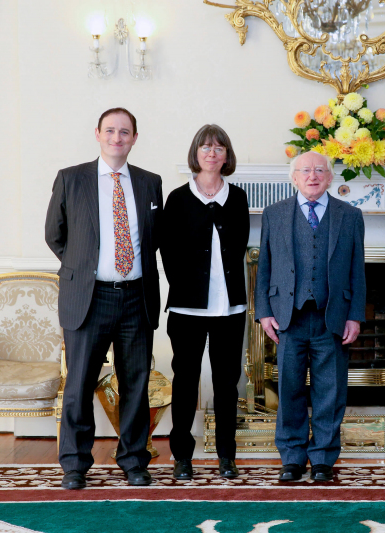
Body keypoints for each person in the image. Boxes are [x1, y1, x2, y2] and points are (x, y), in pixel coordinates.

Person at [45, 108, 163, 489]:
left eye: (124, 131)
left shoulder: (149, 182)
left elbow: (155, 238)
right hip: (88, 299)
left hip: (136, 298)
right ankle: (75, 465)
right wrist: (84, 268)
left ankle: (133, 460)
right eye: (110, 130)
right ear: (97, 133)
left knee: (135, 383)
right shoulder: (71, 178)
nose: (117, 137)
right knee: (79, 385)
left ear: (134, 138)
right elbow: (55, 234)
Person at [254, 151, 366, 482]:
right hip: (288, 318)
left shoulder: (350, 215)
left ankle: (322, 460)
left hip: (332, 317)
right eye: (305, 170)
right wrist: (263, 313)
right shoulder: (274, 214)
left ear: (330, 177)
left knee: (330, 392)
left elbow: (357, 271)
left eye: (320, 170)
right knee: (289, 390)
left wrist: (355, 315)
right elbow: (264, 268)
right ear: (294, 177)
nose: (312, 175)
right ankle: (292, 457)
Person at [160, 124, 249, 480]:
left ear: (227, 155)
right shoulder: (178, 199)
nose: (212, 153)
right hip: (187, 309)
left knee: (228, 384)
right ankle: (182, 456)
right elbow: (168, 251)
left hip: (230, 309)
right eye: (205, 147)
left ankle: (227, 455)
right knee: (186, 381)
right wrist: (188, 287)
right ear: (195, 154)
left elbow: (239, 244)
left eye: (219, 147)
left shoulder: (238, 197)